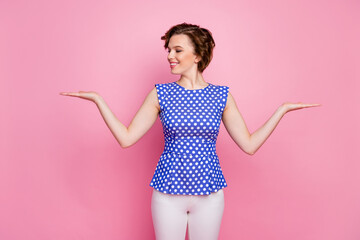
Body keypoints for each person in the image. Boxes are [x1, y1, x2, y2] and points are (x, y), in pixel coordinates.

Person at [60, 22, 321, 240]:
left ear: (197, 55)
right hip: (167, 193)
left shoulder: (221, 96)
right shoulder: (161, 93)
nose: (169, 56)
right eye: (168, 49)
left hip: (209, 194)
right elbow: (126, 139)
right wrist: (98, 100)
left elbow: (249, 145)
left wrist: (282, 110)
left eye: (177, 50)